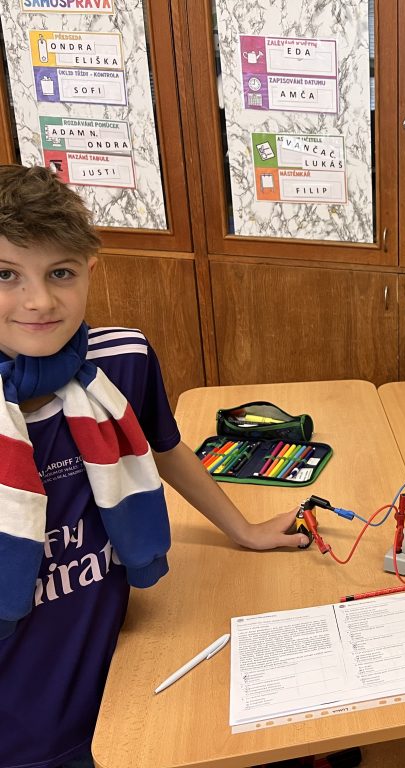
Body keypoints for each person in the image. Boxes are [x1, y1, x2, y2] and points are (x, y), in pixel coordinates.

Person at [0, 165, 308, 768]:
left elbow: (166, 450)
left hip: (119, 676)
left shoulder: (123, 360)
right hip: (18, 718)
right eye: (6, 275)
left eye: (60, 272)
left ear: (90, 271)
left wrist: (243, 528)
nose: (39, 301)